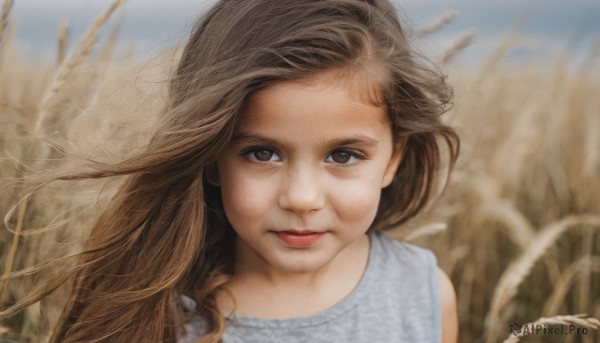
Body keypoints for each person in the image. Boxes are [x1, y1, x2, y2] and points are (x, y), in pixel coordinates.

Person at [2, 0, 459, 342]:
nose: (302, 198)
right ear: (212, 156)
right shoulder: (155, 309)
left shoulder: (423, 296)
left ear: (393, 157)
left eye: (343, 156)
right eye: (262, 154)